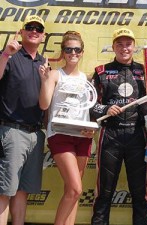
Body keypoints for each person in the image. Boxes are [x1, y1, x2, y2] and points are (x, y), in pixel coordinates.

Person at [90, 27, 147, 225]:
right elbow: (90, 105)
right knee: (104, 193)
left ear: (134, 47)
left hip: (138, 136)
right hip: (110, 136)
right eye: (119, 44)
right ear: (113, 47)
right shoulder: (101, 72)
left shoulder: (145, 72)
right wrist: (105, 110)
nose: (124, 48)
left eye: (128, 44)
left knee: (140, 195)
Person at [38, 31, 94, 225]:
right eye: (68, 49)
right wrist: (45, 81)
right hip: (60, 134)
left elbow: (87, 110)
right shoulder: (55, 74)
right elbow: (44, 105)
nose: (73, 53)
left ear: (82, 52)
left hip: (83, 136)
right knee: (76, 189)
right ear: (63, 51)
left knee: (72, 192)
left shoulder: (86, 79)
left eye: (76, 49)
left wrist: (91, 130)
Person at [0, 15, 46, 225]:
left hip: (36, 134)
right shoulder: (11, 55)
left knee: (22, 191)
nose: (34, 31)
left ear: (43, 35)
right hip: (12, 130)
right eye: (30, 27)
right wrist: (4, 55)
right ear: (22, 30)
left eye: (38, 28)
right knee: (5, 191)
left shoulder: (44, 62)